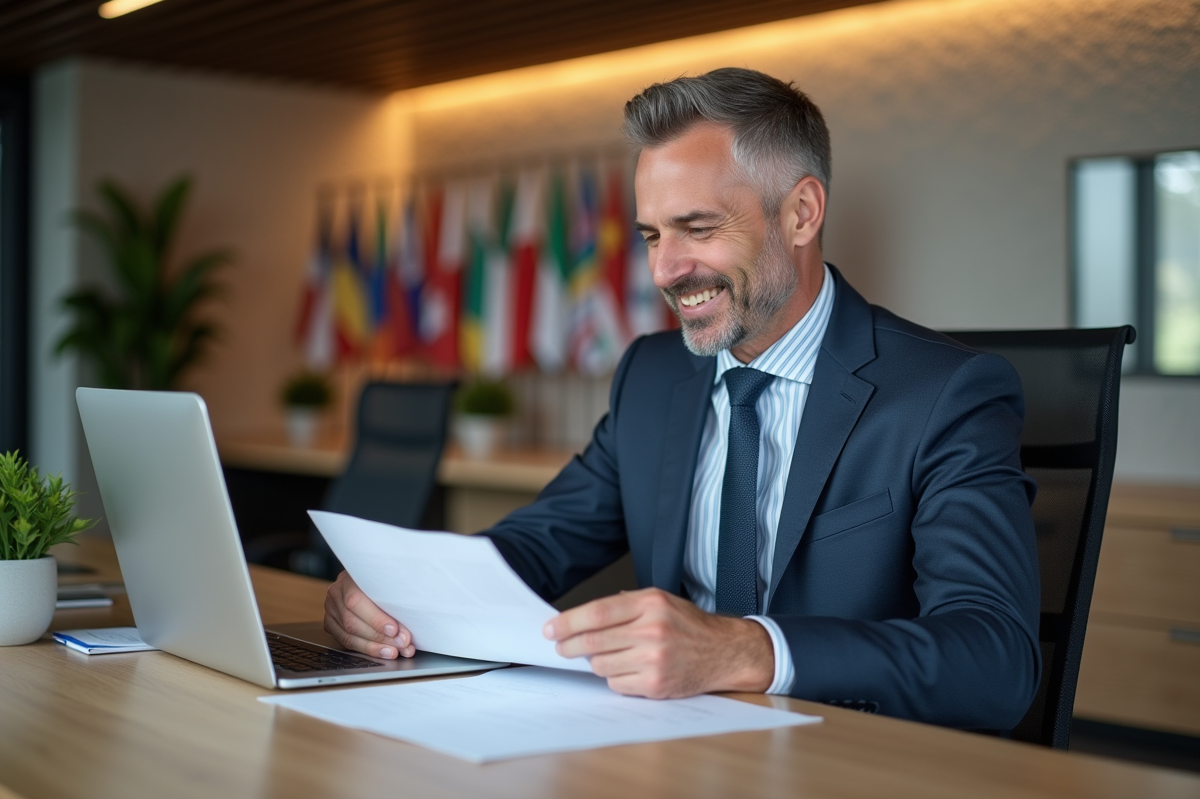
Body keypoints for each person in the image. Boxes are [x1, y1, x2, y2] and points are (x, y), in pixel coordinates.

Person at [324, 68, 1041, 732]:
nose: (665, 270)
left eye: (698, 229)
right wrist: (406, 593)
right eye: (651, 235)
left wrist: (746, 650)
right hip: (662, 751)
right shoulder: (653, 376)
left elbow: (994, 658)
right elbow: (539, 542)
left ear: (800, 213)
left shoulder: (945, 394)